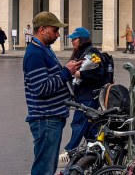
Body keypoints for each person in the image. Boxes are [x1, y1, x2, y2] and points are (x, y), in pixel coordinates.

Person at [23, 12, 83, 175]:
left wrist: (68, 70)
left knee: (48, 167)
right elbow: (42, 88)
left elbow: (51, 77)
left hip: (51, 118)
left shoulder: (44, 49)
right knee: (44, 169)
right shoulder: (35, 53)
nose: (58, 35)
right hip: (46, 119)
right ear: (42, 30)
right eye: (55, 30)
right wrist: (66, 71)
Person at [60, 27, 108, 163]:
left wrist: (80, 74)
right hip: (82, 95)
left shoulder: (92, 53)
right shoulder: (80, 53)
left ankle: (70, 150)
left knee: (79, 122)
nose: (72, 42)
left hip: (89, 96)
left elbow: (99, 74)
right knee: (89, 129)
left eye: (74, 39)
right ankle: (100, 153)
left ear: (82, 39)